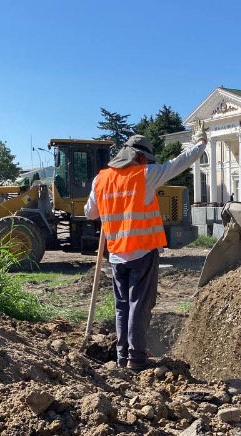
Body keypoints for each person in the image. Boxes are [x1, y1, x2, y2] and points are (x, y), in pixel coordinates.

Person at [84, 131, 207, 370]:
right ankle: (136, 359)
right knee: (139, 306)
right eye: (146, 159)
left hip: (117, 254)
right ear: (139, 157)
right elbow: (178, 164)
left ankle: (122, 358)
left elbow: (91, 213)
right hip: (142, 252)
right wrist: (200, 144)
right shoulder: (145, 175)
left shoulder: (100, 180)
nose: (148, 163)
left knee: (122, 307)